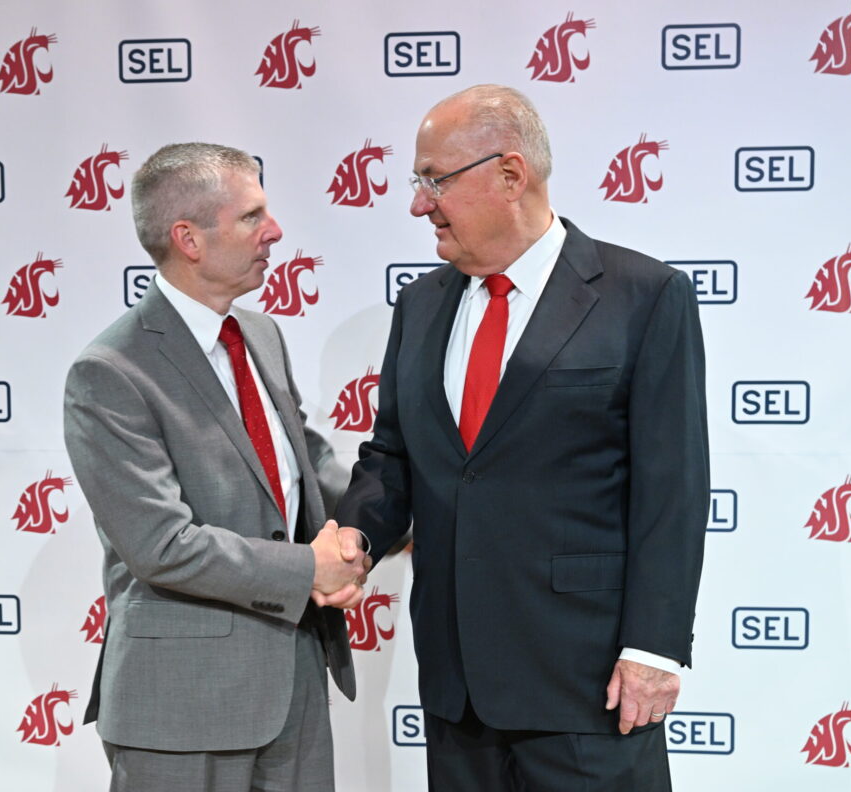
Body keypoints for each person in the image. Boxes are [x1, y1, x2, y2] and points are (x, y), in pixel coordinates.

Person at [335, 85, 709, 790]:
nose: (419, 203)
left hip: (591, 687)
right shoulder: (421, 304)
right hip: (457, 690)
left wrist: (655, 650)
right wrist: (354, 535)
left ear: (512, 175)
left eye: (433, 180)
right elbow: (393, 457)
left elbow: (674, 490)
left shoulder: (643, 295)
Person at [63, 142, 368, 792]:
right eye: (252, 216)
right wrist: (310, 569)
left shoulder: (260, 334)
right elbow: (161, 545)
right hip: (183, 707)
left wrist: (371, 526)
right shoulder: (110, 373)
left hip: (296, 687)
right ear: (189, 239)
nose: (276, 231)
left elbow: (305, 468)